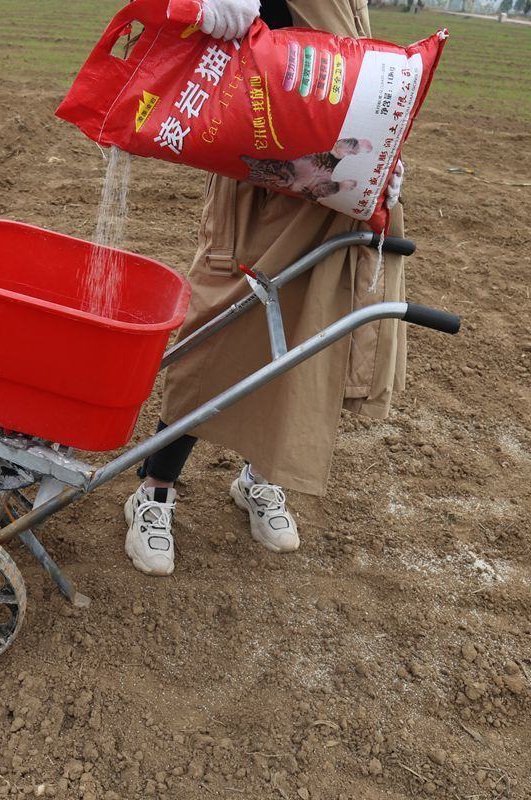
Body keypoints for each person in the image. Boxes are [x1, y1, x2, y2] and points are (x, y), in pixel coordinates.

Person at [124, 0, 406, 577]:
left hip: (334, 193)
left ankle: (261, 476)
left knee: (306, 336)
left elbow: (356, 72)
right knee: (215, 336)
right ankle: (154, 491)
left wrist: (384, 157)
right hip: (261, 183)